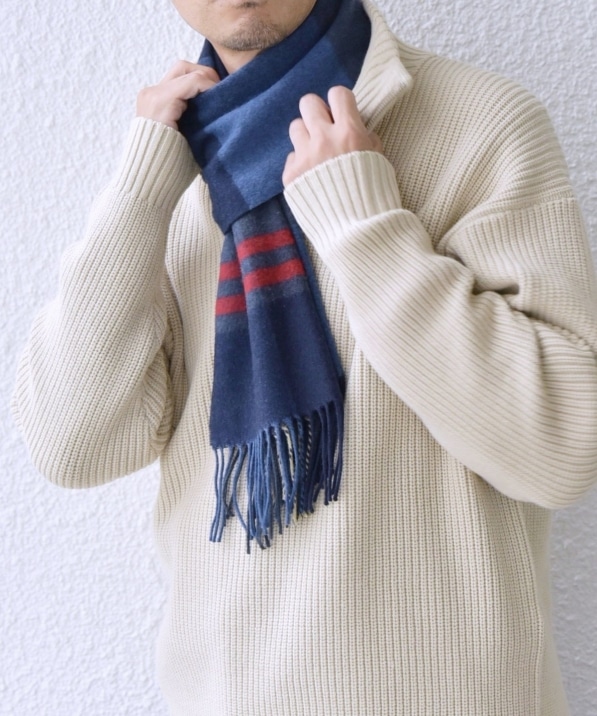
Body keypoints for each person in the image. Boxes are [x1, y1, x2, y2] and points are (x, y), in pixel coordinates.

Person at [12, 0, 597, 713]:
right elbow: (74, 448)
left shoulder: (481, 123)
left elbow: (559, 450)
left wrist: (361, 221)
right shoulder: (173, 166)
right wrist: (139, 192)